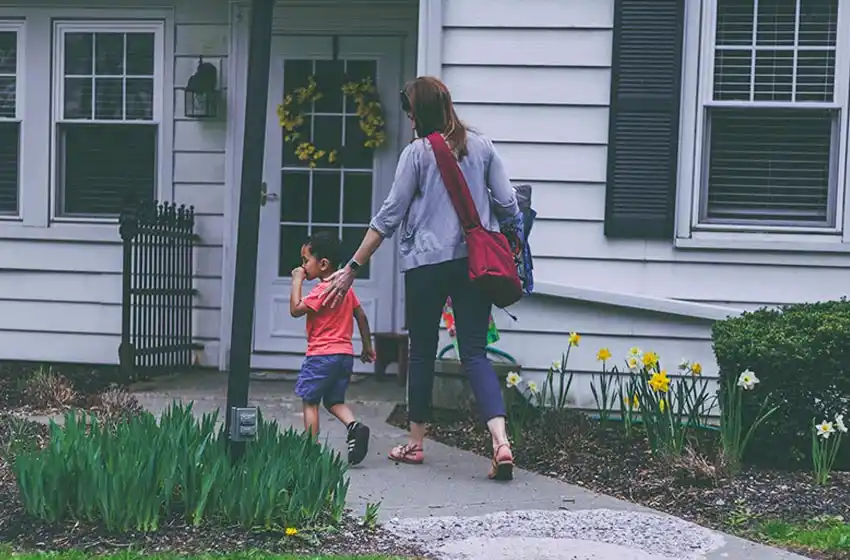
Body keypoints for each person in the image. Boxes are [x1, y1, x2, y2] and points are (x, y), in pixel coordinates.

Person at [321, 76, 520, 481]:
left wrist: (352, 267)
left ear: (422, 111)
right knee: (475, 352)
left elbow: (388, 217)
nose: (408, 116)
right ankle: (500, 441)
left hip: (426, 265)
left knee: (422, 352)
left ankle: (415, 443)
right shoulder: (482, 146)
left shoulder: (416, 155)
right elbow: (508, 203)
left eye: (411, 109)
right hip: (473, 264)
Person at [289, 231, 376, 465]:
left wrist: (296, 280)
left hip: (321, 356)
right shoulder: (344, 287)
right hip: (344, 356)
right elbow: (361, 315)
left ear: (323, 264)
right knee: (334, 401)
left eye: (306, 260)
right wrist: (367, 346)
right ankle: (354, 427)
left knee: (310, 401)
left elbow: (296, 309)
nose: (303, 266)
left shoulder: (322, 290)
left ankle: (311, 449)